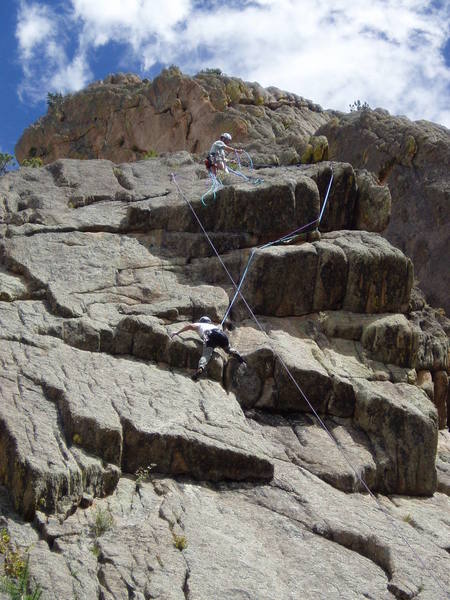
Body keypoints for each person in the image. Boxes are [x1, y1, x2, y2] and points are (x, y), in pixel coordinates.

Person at [170, 316, 245, 381]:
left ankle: (201, 368)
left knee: (206, 355)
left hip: (209, 335)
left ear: (201, 321)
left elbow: (190, 326)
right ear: (208, 322)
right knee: (228, 349)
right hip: (221, 334)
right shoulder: (213, 325)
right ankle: (236, 353)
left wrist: (177, 332)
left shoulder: (199, 324)